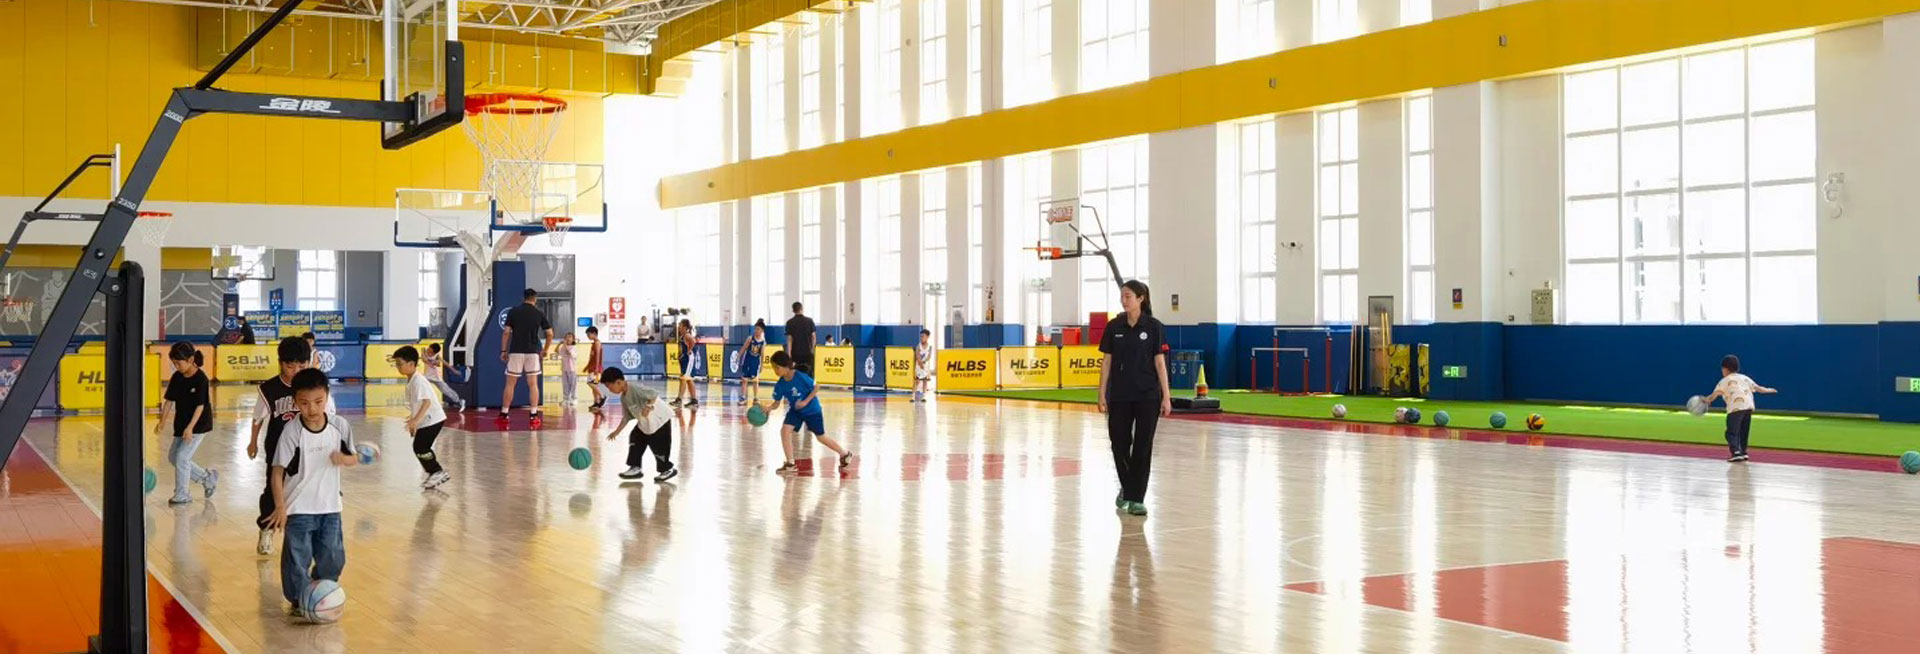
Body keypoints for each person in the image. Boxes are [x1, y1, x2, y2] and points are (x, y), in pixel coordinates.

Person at [266, 368, 359, 619]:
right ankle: (299, 600)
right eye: (305, 403)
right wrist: (280, 507)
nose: (312, 409)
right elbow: (277, 472)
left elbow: (352, 457)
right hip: (298, 508)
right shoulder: (291, 432)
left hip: (330, 506)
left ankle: (319, 590)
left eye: (318, 402)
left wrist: (345, 459)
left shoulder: (340, 426)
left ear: (327, 396)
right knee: (297, 559)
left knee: (334, 557)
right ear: (295, 402)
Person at [249, 337, 336, 555]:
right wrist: (252, 442)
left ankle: (309, 532)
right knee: (273, 489)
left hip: (310, 448)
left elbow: (331, 418)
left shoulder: (317, 386)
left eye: (301, 366)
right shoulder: (269, 388)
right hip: (278, 447)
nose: (296, 371)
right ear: (281, 363)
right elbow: (258, 418)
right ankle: (266, 529)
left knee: (310, 486)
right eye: (290, 366)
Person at [1097, 280, 1171, 517]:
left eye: (1128, 296)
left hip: (1148, 396)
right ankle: (1128, 488)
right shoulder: (1113, 326)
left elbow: (1160, 363)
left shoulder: (1154, 327)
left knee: (1143, 446)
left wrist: (1166, 396)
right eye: (1122, 296)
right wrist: (1101, 393)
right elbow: (1106, 362)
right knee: (1119, 444)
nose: (1124, 300)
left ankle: (1136, 499)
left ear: (1141, 299)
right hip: (1119, 395)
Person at [752, 350, 852, 475]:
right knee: (785, 431)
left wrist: (805, 402)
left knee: (821, 437)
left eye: (777, 367)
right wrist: (768, 408)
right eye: (773, 368)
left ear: (786, 366)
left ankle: (844, 454)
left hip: (812, 410)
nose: (775, 371)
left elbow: (816, 387)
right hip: (796, 410)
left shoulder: (800, 376)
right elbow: (776, 403)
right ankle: (790, 464)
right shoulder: (780, 384)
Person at [155, 342, 217, 505]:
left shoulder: (201, 379)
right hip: (182, 422)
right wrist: (162, 421)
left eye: (178, 363)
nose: (176, 366)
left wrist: (190, 428)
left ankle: (182, 494)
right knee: (173, 457)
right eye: (173, 363)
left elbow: (200, 406)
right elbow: (169, 400)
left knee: (182, 458)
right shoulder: (177, 377)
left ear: (190, 360)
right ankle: (206, 478)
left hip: (198, 424)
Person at [599, 368, 679, 482]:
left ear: (618, 382)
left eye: (609, 386)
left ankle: (667, 470)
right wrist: (616, 432)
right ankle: (635, 468)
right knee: (635, 438)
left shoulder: (635, 388)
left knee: (659, 447)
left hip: (660, 420)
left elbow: (653, 394)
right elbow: (626, 417)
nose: (609, 389)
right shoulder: (623, 398)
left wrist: (648, 407)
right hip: (646, 422)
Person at [390, 346, 450, 490]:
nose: (398, 367)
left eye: (400, 364)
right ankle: (434, 471)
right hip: (427, 420)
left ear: (411, 364)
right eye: (396, 364)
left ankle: (437, 471)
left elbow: (427, 402)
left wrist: (415, 421)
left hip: (433, 419)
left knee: (421, 447)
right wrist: (413, 419)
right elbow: (417, 403)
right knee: (420, 447)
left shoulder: (418, 380)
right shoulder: (412, 380)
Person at [1705, 354, 1777, 463]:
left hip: (1735, 408)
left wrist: (1707, 400)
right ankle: (1743, 452)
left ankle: (1736, 452)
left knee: (1731, 432)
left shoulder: (1724, 381)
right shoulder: (1744, 378)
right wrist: (1769, 390)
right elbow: (1759, 388)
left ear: (1725, 369)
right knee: (1744, 431)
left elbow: (1715, 394)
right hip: (1748, 407)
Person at [499, 288, 554, 426]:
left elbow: (506, 332)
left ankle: (504, 413)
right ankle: (533, 415)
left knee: (510, 384)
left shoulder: (513, 311)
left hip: (516, 351)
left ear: (523, 298)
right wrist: (545, 350)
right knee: (533, 384)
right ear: (535, 299)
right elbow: (550, 333)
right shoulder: (539, 313)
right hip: (532, 351)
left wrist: (504, 350)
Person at [422, 343, 464, 411]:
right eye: (428, 349)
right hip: (427, 376)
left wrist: (455, 371)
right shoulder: (424, 351)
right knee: (420, 385)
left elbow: (445, 363)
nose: (428, 351)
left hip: (436, 377)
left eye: (430, 351)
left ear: (434, 352)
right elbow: (424, 360)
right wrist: (432, 361)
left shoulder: (437, 356)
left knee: (446, 390)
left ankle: (459, 401)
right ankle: (420, 403)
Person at [671, 318, 700, 408]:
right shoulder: (682, 336)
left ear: (684, 327)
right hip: (684, 360)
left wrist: (689, 350)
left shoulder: (687, 335)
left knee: (683, 378)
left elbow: (693, 341)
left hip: (689, 359)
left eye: (680, 325)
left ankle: (679, 399)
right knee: (688, 379)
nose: (678, 327)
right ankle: (694, 400)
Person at [739, 320, 767, 406]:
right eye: (755, 329)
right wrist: (738, 356)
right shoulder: (750, 338)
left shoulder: (763, 342)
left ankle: (755, 397)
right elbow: (744, 348)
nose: (756, 331)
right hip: (747, 360)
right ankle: (743, 397)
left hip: (755, 362)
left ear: (762, 330)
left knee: (755, 380)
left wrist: (762, 365)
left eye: (758, 329)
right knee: (744, 379)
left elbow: (762, 354)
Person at [785, 302, 817, 375]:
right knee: (808, 373)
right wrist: (812, 349)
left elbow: (789, 339)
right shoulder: (809, 321)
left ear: (793, 310)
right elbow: (813, 336)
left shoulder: (789, 322)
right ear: (802, 309)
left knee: (795, 373)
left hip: (795, 353)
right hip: (807, 351)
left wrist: (789, 353)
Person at [584, 326, 606, 410]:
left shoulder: (597, 343)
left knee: (590, 383)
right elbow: (592, 357)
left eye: (589, 334)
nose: (588, 336)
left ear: (594, 333)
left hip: (595, 368)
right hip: (592, 367)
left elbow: (597, 357)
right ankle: (596, 402)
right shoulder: (594, 343)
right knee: (594, 386)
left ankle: (602, 396)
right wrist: (587, 366)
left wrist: (597, 368)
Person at [559, 332, 580, 406]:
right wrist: (559, 344)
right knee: (565, 384)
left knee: (573, 384)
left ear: (573, 339)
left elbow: (569, 352)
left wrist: (564, 344)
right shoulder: (562, 347)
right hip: (564, 368)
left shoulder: (573, 347)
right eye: (567, 337)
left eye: (570, 337)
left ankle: (574, 398)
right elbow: (557, 351)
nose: (568, 338)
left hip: (572, 369)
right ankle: (566, 399)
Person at [913, 328, 934, 403]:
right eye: (921, 336)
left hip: (925, 366)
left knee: (925, 381)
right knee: (917, 381)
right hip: (919, 366)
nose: (921, 338)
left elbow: (929, 356)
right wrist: (920, 363)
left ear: (927, 337)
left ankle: (924, 396)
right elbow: (917, 355)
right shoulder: (918, 346)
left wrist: (924, 362)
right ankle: (913, 396)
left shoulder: (930, 346)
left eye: (923, 336)